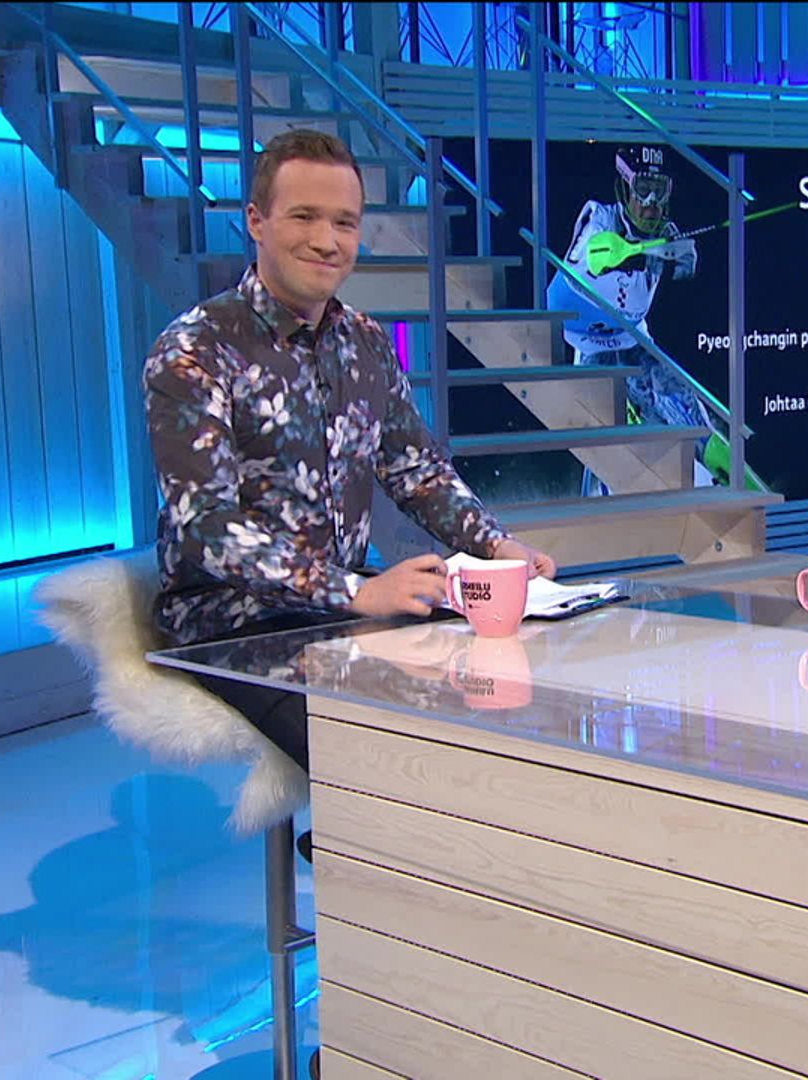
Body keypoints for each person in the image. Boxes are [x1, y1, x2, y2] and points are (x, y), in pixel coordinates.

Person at [144, 128, 555, 770]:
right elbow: (208, 528)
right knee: (382, 759)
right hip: (233, 624)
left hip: (341, 609)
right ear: (256, 220)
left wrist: (497, 547)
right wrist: (355, 592)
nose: (326, 240)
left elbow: (416, 469)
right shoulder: (194, 350)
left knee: (496, 697)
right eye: (304, 217)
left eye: (344, 222)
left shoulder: (365, 341)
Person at [555, 145, 722, 492]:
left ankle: (719, 468)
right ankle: (603, 498)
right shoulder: (600, 216)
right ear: (625, 187)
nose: (651, 203)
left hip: (634, 337)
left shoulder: (667, 232)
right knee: (611, 430)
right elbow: (581, 267)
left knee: (685, 404)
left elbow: (688, 268)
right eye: (643, 189)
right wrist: (630, 253)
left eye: (660, 190)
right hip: (591, 343)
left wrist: (678, 253)